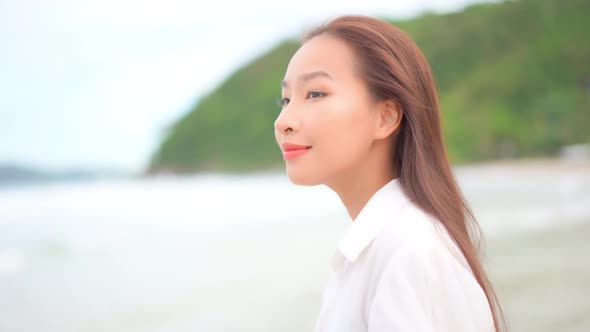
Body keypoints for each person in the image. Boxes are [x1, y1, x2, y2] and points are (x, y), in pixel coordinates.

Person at [273, 15, 506, 332]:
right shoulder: (375, 252)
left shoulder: (411, 253)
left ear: (386, 117)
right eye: (285, 100)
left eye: (314, 94)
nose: (283, 120)